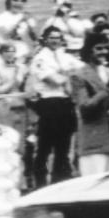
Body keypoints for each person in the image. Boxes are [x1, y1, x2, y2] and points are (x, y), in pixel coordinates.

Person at [27, 26, 79, 188]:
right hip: (49, 104)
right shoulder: (40, 58)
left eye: (58, 37)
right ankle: (41, 184)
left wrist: (67, 73)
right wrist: (69, 74)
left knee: (63, 147)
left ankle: (60, 181)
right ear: (45, 39)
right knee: (45, 147)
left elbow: (82, 71)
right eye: (51, 37)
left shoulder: (65, 56)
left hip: (65, 104)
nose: (55, 40)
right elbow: (54, 80)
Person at [69, 33, 109, 175]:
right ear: (89, 50)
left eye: (106, 48)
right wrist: (104, 92)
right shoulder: (79, 75)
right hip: (94, 142)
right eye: (99, 48)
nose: (104, 52)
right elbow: (84, 107)